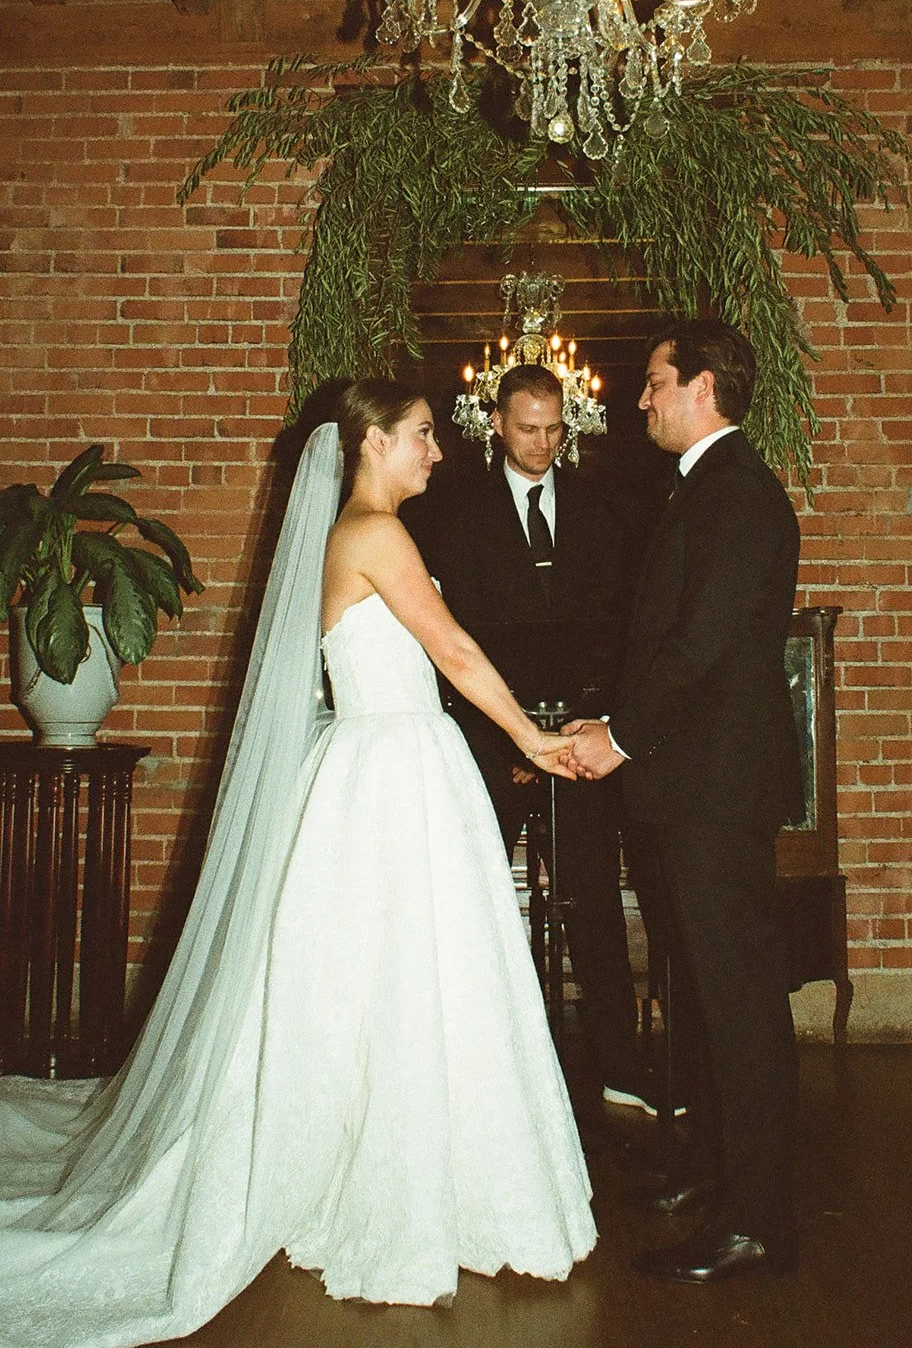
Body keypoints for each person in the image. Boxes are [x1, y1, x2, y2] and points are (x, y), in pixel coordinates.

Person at [0, 380, 596, 1347]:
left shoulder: (355, 534)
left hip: (377, 765)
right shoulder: (374, 534)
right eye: (420, 436)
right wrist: (532, 738)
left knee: (379, 983)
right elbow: (447, 647)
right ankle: (399, 1193)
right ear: (369, 444)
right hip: (396, 769)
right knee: (409, 980)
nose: (436, 453)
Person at [563, 320, 802, 1283]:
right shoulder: (703, 487)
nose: (642, 398)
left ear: (702, 386)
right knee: (705, 995)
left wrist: (616, 739)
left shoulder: (737, 495)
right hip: (689, 785)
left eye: (656, 382)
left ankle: (758, 1221)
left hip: (713, 790)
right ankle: (712, 1167)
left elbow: (697, 646)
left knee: (738, 1001)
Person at [425, 364, 646, 1110]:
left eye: (555, 429)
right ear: (495, 423)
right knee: (472, 902)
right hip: (493, 745)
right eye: (527, 429)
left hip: (579, 742)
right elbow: (454, 646)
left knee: (593, 902)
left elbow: (617, 630)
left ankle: (621, 1064)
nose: (543, 443)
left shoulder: (602, 508)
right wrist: (514, 743)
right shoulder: (452, 513)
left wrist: (576, 733)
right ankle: (477, 1075)